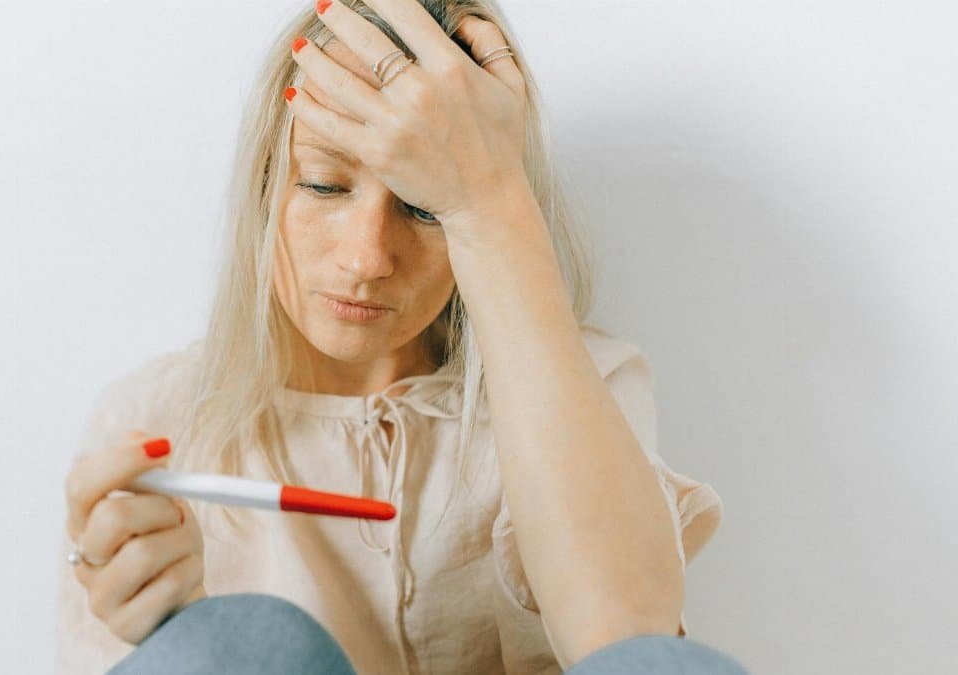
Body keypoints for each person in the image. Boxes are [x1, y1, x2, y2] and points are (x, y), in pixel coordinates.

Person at [58, 1, 745, 673]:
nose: (366, 259)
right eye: (326, 186)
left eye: (423, 205)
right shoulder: (153, 418)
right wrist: (176, 627)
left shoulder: (585, 381)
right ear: (266, 183)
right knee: (236, 643)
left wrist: (490, 199)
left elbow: (631, 644)